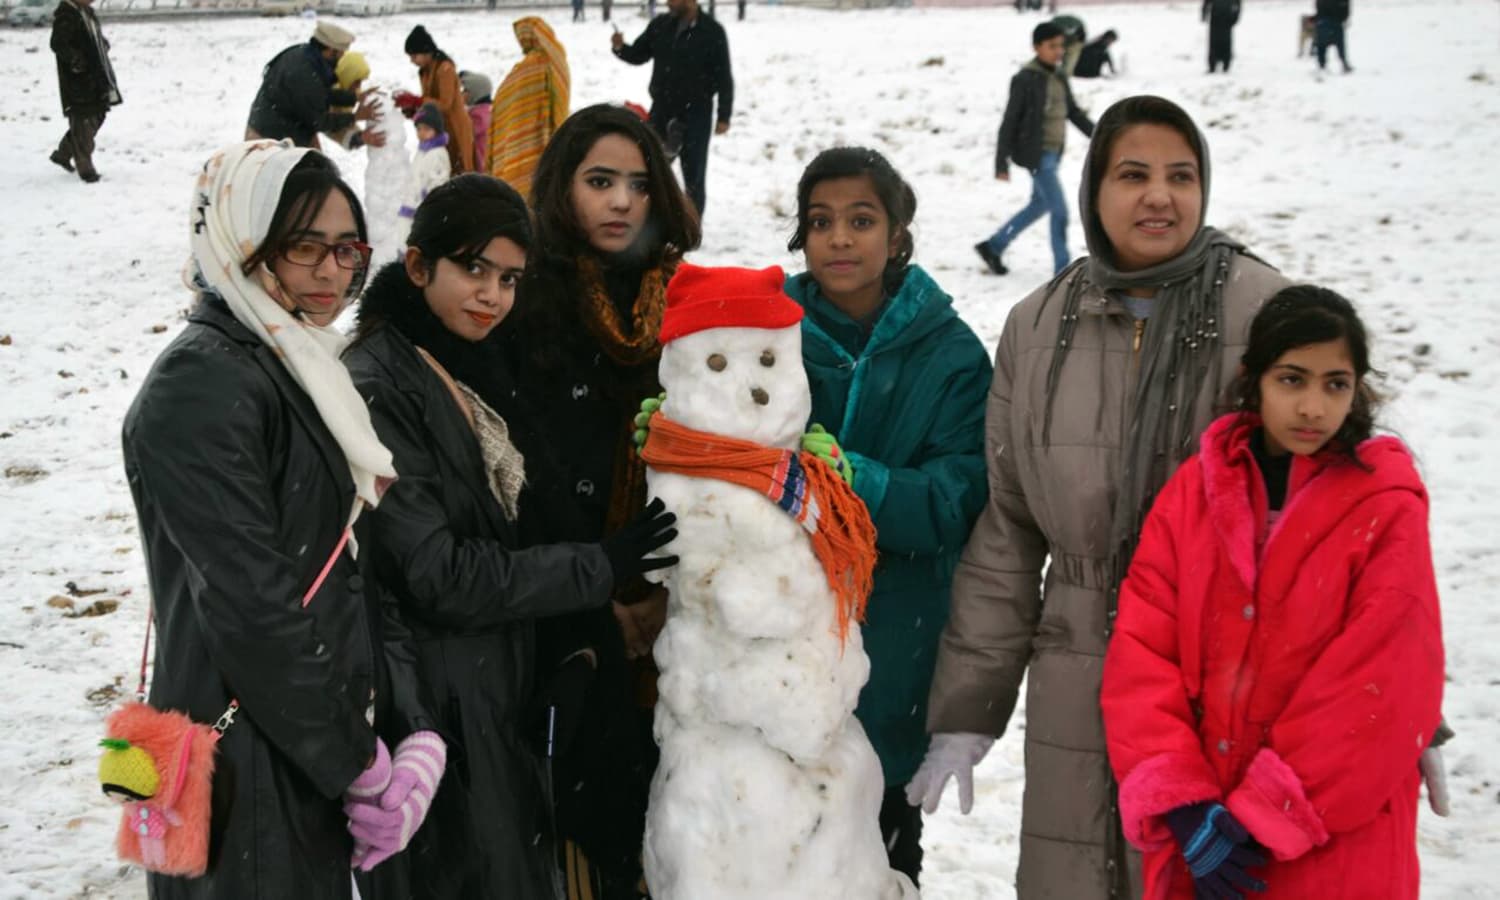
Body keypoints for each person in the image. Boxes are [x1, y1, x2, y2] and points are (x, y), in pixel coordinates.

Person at [911, 95, 1293, 899]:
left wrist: (1395, 710)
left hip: (1226, 670)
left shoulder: (1264, 313)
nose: (1160, 196)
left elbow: (1336, 519)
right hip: (1077, 664)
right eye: (1133, 175)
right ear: (1093, 190)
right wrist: (968, 709)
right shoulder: (1038, 325)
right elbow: (1009, 532)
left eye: (1180, 176)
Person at [344, 173, 678, 900]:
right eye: (474, 269)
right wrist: (593, 568)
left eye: (509, 279)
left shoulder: (466, 359)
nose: (492, 295)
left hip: (485, 688)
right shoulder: (379, 384)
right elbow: (436, 575)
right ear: (418, 265)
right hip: (437, 703)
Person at [122, 141, 440, 898]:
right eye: (304, 246)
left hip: (291, 738)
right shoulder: (203, 381)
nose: (332, 271)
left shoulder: (291, 359)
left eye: (347, 249)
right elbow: (252, 607)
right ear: (241, 238)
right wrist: (356, 762)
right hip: (245, 760)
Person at [1100, 286, 1444, 899]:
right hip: (1206, 839)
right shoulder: (1195, 494)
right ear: (1253, 379)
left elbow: (1381, 683)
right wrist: (1184, 802)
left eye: (1335, 384)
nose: (1313, 407)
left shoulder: (1386, 508)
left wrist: (1270, 810)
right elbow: (1143, 652)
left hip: (1337, 843)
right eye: (1292, 379)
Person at [496, 103, 700, 900]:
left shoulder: (688, 302)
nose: (621, 202)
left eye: (640, 185)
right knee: (581, 826)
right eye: (600, 181)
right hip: (562, 600)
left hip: (676, 605)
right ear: (562, 189)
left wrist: (664, 596)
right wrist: (594, 597)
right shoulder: (520, 299)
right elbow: (516, 472)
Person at [783, 147, 991, 887]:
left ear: (898, 233)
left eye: (862, 220)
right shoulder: (766, 335)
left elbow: (955, 501)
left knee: (881, 861)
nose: (839, 238)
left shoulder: (951, 355)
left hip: (894, 649)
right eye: (821, 222)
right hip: (774, 651)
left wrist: (859, 483)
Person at [974, 22, 1093, 278]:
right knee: (1060, 211)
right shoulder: (1025, 79)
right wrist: (1001, 162)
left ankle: (994, 246)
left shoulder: (1059, 76)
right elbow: (1009, 121)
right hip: (1037, 156)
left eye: (1061, 46)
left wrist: (1100, 135)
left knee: (1039, 205)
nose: (1059, 51)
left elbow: (1073, 112)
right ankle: (1063, 271)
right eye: (1052, 46)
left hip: (1054, 153)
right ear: (1037, 47)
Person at [610, 0, 733, 217]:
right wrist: (620, 47)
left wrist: (724, 115)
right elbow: (639, 54)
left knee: (694, 175)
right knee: (651, 170)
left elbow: (723, 76)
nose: (668, 3)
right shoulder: (660, 25)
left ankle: (692, 225)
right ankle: (650, 221)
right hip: (662, 110)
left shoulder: (712, 31)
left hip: (697, 114)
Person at [246, 22, 384, 151]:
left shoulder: (307, 57)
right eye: (341, 53)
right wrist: (355, 117)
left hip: (289, 128)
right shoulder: (304, 74)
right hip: (269, 140)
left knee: (319, 166)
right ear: (331, 51)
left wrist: (355, 97)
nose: (341, 58)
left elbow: (321, 94)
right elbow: (319, 121)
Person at [490, 17, 571, 200]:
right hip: (548, 131)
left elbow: (507, 98)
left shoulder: (533, 65)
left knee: (525, 185)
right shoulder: (558, 60)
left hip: (527, 134)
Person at [48, 0, 120, 183]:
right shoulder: (66, 15)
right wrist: (76, 60)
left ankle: (63, 154)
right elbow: (57, 43)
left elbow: (91, 36)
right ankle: (86, 169)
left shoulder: (86, 12)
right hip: (78, 80)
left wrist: (102, 43)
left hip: (95, 75)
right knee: (84, 120)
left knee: (98, 114)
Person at [400, 26, 475, 174]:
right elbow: (430, 103)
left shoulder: (444, 69)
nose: (412, 61)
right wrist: (414, 111)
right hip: (439, 128)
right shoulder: (425, 71)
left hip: (455, 128)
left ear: (425, 51)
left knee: (458, 173)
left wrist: (418, 101)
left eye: (414, 56)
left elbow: (445, 104)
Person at [399, 103, 452, 221]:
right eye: (419, 129)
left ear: (437, 130)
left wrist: (428, 200)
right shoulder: (422, 151)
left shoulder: (438, 153)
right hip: (412, 206)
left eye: (427, 129)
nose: (421, 133)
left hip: (427, 210)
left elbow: (439, 182)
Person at [459, 70, 492, 172]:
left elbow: (464, 131)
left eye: (465, 91)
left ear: (475, 93)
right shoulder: (485, 110)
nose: (461, 94)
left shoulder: (480, 115)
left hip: (481, 167)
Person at [1202, 0, 1242, 74]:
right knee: (1214, 42)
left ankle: (1225, 65)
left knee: (1225, 41)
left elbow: (1237, 3)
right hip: (1215, 17)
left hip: (1227, 17)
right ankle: (1212, 65)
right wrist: (1204, 12)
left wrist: (1236, 16)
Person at [1314, 0, 1352, 73]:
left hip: (1325, 21)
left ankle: (1322, 65)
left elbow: (1319, 8)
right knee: (1339, 44)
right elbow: (1346, 9)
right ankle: (1343, 63)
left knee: (1322, 45)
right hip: (1335, 21)